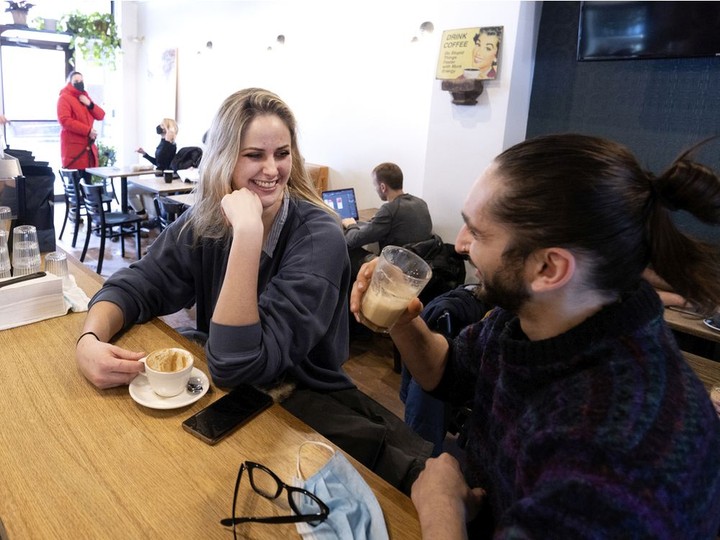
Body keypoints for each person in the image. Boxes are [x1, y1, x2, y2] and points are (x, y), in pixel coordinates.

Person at [350, 134, 720, 537]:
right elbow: (448, 370)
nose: (460, 245)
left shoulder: (617, 454)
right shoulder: (529, 318)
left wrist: (442, 507)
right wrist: (401, 315)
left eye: (477, 232)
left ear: (549, 268)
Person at [75, 88, 353, 392]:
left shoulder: (319, 236)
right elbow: (137, 284)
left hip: (304, 410)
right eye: (254, 155)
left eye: (282, 154)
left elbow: (237, 366)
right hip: (228, 401)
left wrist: (246, 235)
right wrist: (89, 341)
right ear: (224, 158)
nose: (272, 169)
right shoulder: (207, 220)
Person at [342, 162, 434, 276]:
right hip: (417, 267)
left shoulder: (389, 209)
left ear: (383, 187)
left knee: (346, 248)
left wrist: (351, 225)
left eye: (375, 185)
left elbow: (353, 240)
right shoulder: (421, 203)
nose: (375, 189)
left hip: (395, 271)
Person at [57, 71, 106, 174]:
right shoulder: (64, 98)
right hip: (75, 150)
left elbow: (101, 115)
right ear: (70, 82)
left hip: (87, 150)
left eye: (81, 80)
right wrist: (88, 131)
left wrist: (90, 104)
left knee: (87, 184)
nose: (79, 83)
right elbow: (65, 120)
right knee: (77, 185)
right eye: (76, 81)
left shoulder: (84, 98)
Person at [132, 118, 179, 221]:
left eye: (162, 125)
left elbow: (162, 164)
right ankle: (143, 215)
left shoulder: (169, 145)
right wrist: (145, 154)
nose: (159, 127)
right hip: (158, 179)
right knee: (129, 188)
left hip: (162, 181)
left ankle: (142, 215)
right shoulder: (164, 143)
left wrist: (166, 141)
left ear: (167, 129)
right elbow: (158, 162)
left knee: (129, 190)